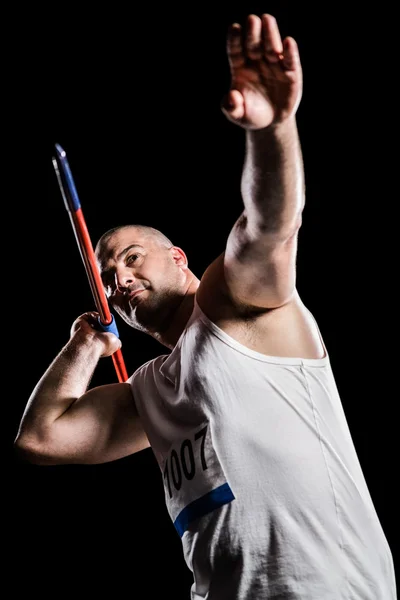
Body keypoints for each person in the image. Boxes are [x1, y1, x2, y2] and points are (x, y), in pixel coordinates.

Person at [14, 12, 396, 600]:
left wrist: (271, 131)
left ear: (179, 258)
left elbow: (271, 226)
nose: (118, 276)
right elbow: (40, 439)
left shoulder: (234, 306)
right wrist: (85, 342)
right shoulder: (149, 392)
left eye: (132, 257)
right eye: (106, 274)